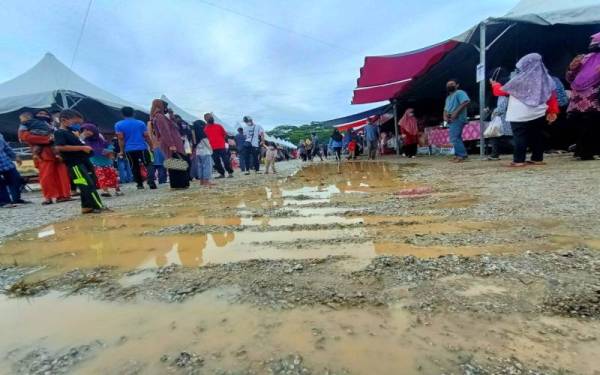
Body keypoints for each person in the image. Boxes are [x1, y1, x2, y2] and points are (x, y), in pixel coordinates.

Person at [491, 53, 559, 167]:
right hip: (539, 112)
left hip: (519, 113)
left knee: (520, 136)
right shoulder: (547, 79)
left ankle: (519, 160)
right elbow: (552, 96)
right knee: (537, 136)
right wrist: (552, 111)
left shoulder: (520, 79)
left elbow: (500, 91)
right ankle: (537, 159)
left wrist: (495, 85)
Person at [53, 110, 105, 214]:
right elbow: (59, 147)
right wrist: (81, 148)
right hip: (74, 164)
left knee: (84, 185)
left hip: (81, 162)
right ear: (64, 120)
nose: (77, 125)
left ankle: (86, 207)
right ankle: (97, 206)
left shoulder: (70, 132)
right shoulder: (60, 132)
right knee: (87, 185)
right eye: (75, 122)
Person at [18, 112, 71, 205]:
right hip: (43, 154)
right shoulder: (26, 126)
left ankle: (63, 195)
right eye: (40, 113)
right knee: (46, 177)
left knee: (62, 175)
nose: (43, 115)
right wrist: (48, 139)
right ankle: (49, 197)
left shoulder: (54, 124)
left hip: (58, 153)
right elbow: (25, 137)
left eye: (45, 113)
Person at [566, 32, 600, 160]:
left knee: (583, 126)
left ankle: (580, 151)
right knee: (593, 126)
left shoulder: (583, 58)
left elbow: (569, 77)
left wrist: (571, 68)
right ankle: (588, 153)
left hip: (577, 99)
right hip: (594, 100)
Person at [115, 106, 156, 190]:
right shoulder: (140, 123)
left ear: (122, 114)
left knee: (134, 166)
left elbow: (121, 139)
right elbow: (146, 136)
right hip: (142, 147)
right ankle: (151, 180)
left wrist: (122, 151)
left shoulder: (118, 124)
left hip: (129, 149)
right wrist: (151, 146)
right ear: (133, 113)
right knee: (148, 164)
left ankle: (139, 184)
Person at [81, 123, 122, 197]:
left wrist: (107, 151)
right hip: (96, 163)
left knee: (112, 176)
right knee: (101, 177)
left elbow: (109, 147)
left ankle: (117, 190)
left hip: (107, 161)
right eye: (83, 130)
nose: (85, 132)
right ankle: (105, 191)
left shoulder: (101, 139)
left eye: (87, 130)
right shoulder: (85, 142)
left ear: (93, 130)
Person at [487, 70, 514, 161]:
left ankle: (520, 148)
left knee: (501, 136)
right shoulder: (504, 92)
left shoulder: (503, 93)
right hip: (504, 117)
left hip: (503, 117)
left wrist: (494, 112)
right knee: (497, 135)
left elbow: (502, 106)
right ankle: (495, 154)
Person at [444, 79, 471, 162]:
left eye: (452, 84)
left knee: (454, 138)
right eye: (448, 84)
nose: (449, 85)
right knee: (456, 137)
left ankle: (461, 155)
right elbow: (445, 109)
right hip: (450, 119)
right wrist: (445, 117)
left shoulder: (459, 92)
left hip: (458, 118)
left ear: (457, 85)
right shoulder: (448, 97)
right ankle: (459, 155)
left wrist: (455, 113)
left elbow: (466, 101)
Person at [0, 133, 29, 207]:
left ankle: (16, 199)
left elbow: (6, 147)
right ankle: (4, 202)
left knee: (16, 179)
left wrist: (15, 156)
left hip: (5, 162)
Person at [204, 113, 233, 178]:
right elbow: (206, 138)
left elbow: (224, 135)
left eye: (211, 117)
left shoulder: (219, 126)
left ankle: (230, 172)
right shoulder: (205, 129)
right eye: (208, 117)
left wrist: (225, 143)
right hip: (212, 148)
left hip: (221, 146)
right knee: (216, 162)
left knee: (226, 160)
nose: (211, 118)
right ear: (205, 119)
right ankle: (222, 174)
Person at [193, 120, 214, 186]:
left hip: (198, 152)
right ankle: (206, 181)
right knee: (207, 166)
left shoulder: (194, 133)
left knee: (200, 167)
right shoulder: (203, 134)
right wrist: (211, 150)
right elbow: (208, 144)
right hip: (205, 152)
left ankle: (201, 181)